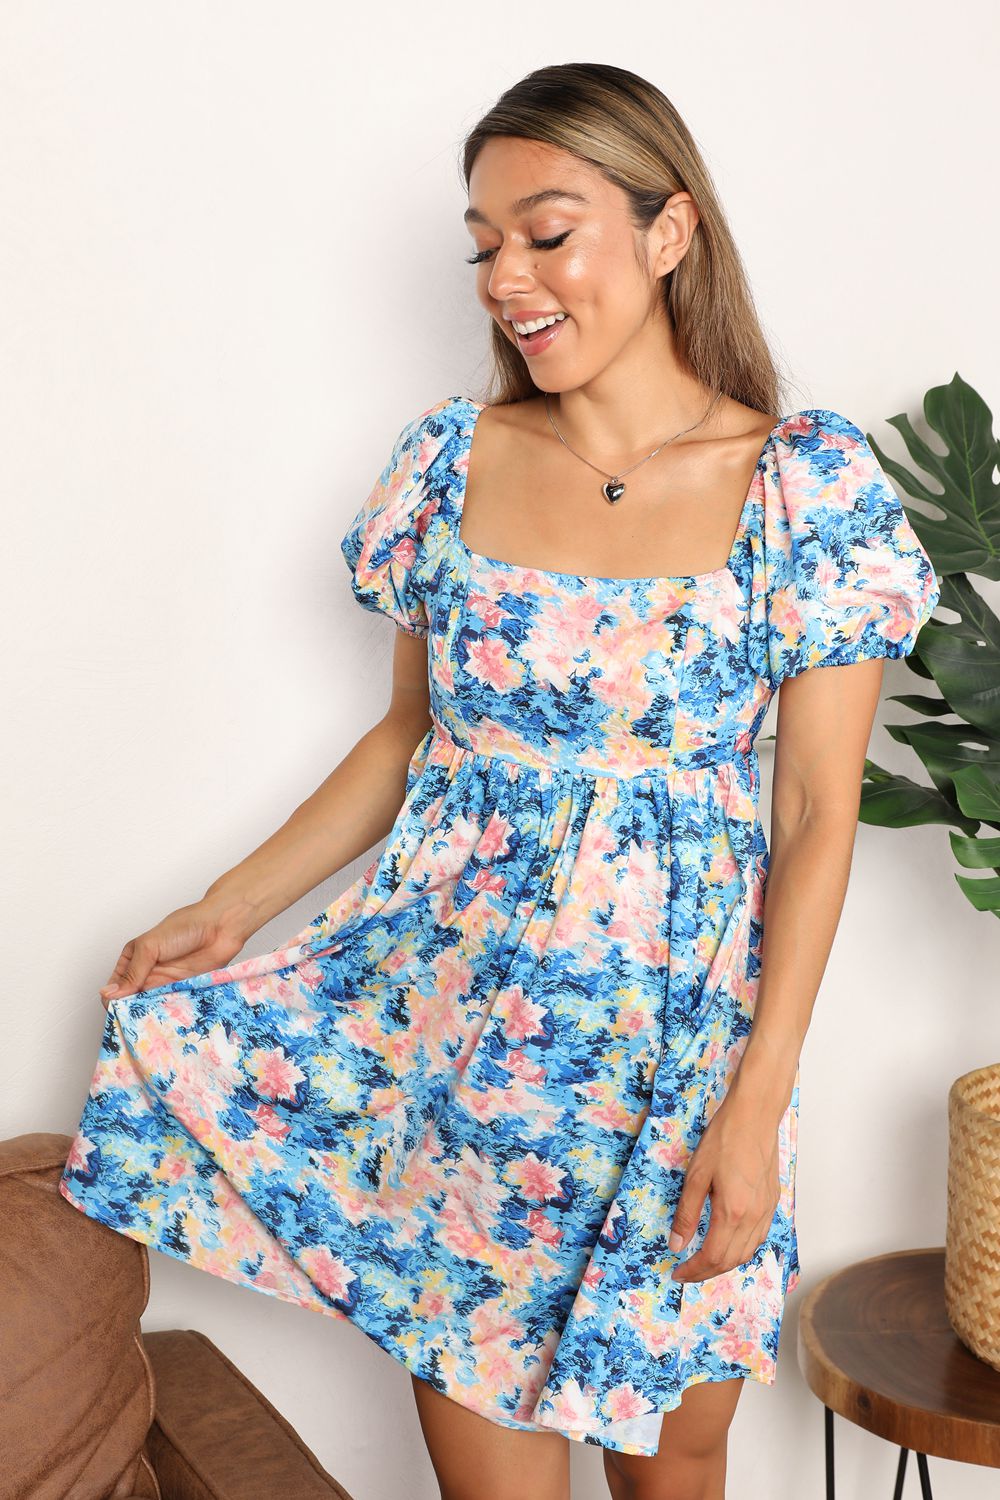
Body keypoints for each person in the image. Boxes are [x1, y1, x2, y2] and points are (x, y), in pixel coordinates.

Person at [59, 62, 940, 1500]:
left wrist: (758, 1100)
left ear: (669, 234)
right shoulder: (449, 461)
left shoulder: (806, 486)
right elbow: (411, 739)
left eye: (548, 232)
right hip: (453, 1038)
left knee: (678, 1457)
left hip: (678, 1059)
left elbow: (817, 810)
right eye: (484, 244)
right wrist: (231, 908)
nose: (507, 279)